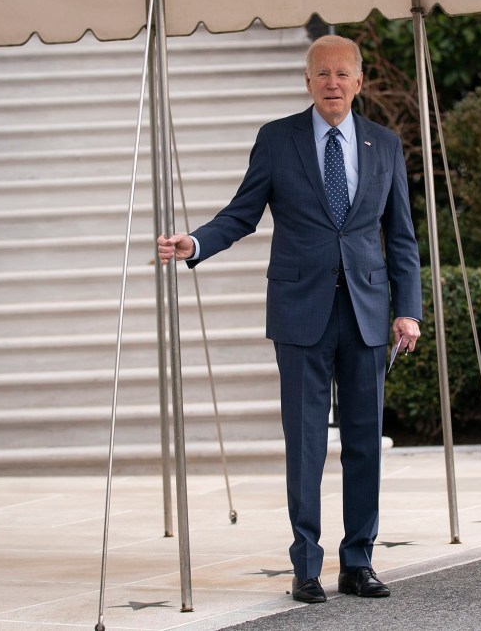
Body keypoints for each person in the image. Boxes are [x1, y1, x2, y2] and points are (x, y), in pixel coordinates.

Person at [157, 34, 422, 604]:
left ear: (358, 82)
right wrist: (196, 243)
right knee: (305, 444)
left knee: (364, 444)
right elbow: (242, 213)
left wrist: (409, 311)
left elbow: (401, 238)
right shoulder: (277, 140)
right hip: (301, 313)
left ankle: (359, 562)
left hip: (368, 313)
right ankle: (306, 567)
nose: (332, 82)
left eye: (342, 73)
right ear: (307, 81)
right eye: (321, 73)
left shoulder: (385, 144)